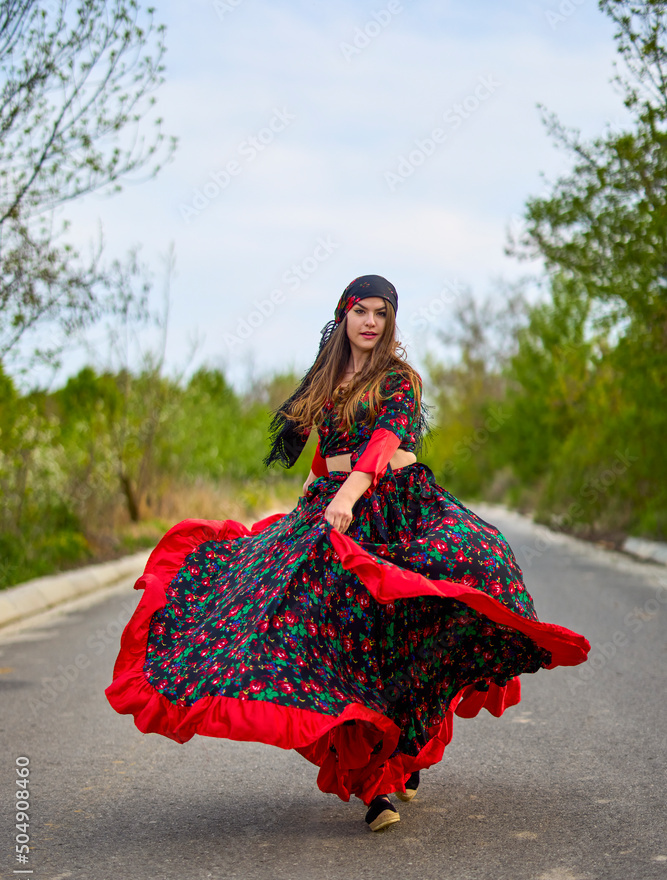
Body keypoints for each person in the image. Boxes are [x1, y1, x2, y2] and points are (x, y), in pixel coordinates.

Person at [106, 274, 590, 833]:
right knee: (335, 639)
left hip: (398, 507)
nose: (370, 322)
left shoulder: (400, 379)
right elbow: (322, 459)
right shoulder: (323, 381)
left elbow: (385, 441)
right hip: (333, 508)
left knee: (460, 581)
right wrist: (315, 507)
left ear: (390, 323)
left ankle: (405, 745)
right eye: (361, 311)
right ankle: (377, 783)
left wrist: (348, 495)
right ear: (343, 316)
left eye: (381, 313)